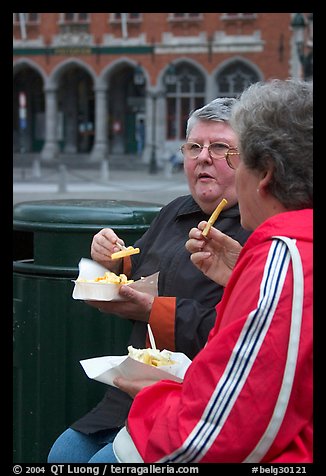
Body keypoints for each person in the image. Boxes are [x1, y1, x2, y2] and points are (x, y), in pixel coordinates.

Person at [108, 78, 313, 463]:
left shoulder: (285, 257)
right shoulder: (278, 251)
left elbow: (210, 439)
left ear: (263, 172)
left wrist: (153, 399)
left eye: (233, 155)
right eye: (195, 147)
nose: (207, 158)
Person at [47, 97, 251, 463]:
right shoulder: (175, 211)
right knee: (63, 452)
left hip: (194, 401)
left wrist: (153, 310)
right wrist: (111, 260)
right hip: (128, 394)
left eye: (219, 147)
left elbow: (240, 330)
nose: (203, 157)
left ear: (246, 158)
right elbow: (137, 276)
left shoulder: (252, 227)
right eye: (194, 147)